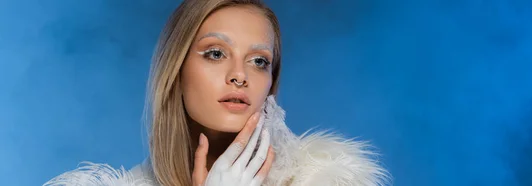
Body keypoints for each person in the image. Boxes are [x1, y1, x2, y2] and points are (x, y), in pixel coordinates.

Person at [43, 0, 390, 185]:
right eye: (215, 54)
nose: (239, 76)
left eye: (258, 61)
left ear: (271, 82)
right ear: (176, 71)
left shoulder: (327, 180)